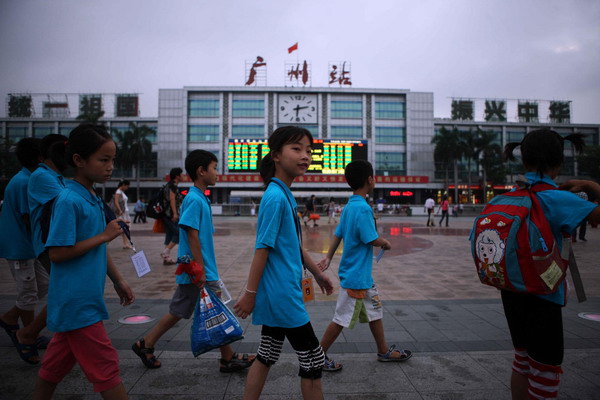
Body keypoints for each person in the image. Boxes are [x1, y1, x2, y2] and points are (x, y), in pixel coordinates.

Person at [33, 124, 135, 400]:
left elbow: (96, 250)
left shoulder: (90, 196)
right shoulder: (68, 200)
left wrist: (118, 279)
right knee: (106, 369)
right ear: (78, 160)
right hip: (77, 302)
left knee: (53, 368)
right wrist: (104, 235)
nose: (110, 166)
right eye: (103, 159)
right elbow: (57, 253)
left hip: (82, 299)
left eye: (112, 159)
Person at [233, 126, 334, 400]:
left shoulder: (284, 194)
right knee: (313, 361)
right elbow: (262, 249)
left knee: (266, 354)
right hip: (283, 296)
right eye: (297, 148)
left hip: (283, 291)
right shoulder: (275, 197)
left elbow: (293, 245)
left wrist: (319, 275)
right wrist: (249, 295)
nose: (305, 156)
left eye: (309, 150)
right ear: (276, 155)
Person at [132, 150, 254, 372]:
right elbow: (191, 233)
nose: (218, 173)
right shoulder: (194, 199)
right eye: (215, 167)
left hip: (199, 269)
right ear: (201, 171)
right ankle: (146, 343)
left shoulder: (199, 197)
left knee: (192, 310)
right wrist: (200, 269)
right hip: (197, 271)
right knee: (185, 310)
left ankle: (226, 358)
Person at [501, 128, 600, 400]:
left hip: (511, 289)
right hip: (543, 293)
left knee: (522, 360)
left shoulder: (512, 194)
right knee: (546, 369)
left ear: (525, 160)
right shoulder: (556, 197)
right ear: (559, 162)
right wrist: (592, 187)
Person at [317, 160, 412, 372]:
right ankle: (318, 355)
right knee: (341, 318)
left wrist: (329, 257)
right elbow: (371, 238)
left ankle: (383, 350)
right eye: (374, 177)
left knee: (375, 311)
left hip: (361, 276)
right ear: (370, 180)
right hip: (356, 277)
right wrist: (385, 243)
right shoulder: (363, 209)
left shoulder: (350, 206)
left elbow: (338, 234)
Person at [11, 133, 69, 364]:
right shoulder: (41, 177)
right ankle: (28, 333)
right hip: (45, 245)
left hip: (50, 243)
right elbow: (67, 204)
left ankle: (26, 329)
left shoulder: (52, 176)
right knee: (61, 292)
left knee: (58, 291)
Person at [0, 138, 50, 365]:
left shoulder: (28, 179)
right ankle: (27, 335)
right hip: (20, 247)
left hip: (29, 246)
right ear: (40, 158)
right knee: (28, 292)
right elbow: (30, 218)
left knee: (44, 286)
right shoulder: (23, 182)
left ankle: (13, 319)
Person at [160, 168, 184, 265]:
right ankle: (165, 252)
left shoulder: (168, 185)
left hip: (166, 214)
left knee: (170, 235)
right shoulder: (172, 186)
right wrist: (175, 213)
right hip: (170, 214)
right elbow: (172, 199)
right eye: (181, 174)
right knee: (179, 233)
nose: (183, 176)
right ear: (177, 176)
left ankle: (166, 258)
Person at [111, 180, 132, 249]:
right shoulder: (118, 192)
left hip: (124, 211)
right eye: (127, 186)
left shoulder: (121, 192)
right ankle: (107, 241)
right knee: (123, 227)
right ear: (123, 185)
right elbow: (116, 201)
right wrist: (119, 210)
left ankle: (125, 243)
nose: (127, 188)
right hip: (122, 212)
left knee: (125, 228)